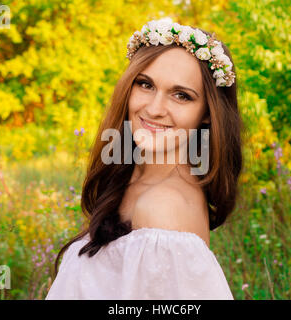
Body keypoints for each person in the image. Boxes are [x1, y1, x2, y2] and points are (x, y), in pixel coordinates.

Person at [46, 17, 243, 300]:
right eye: (145, 85)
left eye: (181, 95)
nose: (154, 108)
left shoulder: (163, 209)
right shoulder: (133, 178)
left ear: (207, 114)